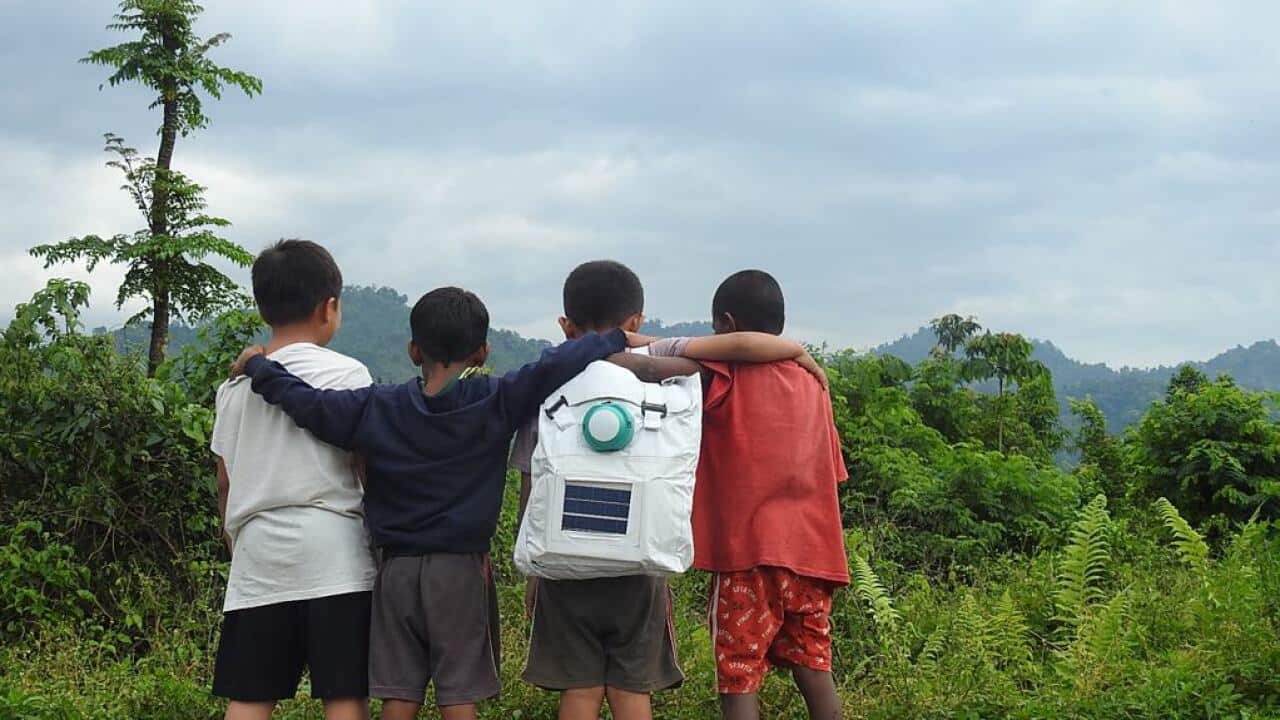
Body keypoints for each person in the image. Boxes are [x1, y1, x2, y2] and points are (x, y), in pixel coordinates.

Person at [229, 286, 631, 720]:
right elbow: (553, 366)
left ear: (413, 350)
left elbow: (307, 404)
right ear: (482, 352)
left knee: (400, 694)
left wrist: (258, 367)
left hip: (396, 571)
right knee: (457, 693)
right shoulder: (496, 400)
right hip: (460, 571)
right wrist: (616, 338)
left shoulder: (377, 407)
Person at [513, 260, 826, 720]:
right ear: (637, 320)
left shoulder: (547, 387)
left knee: (580, 689)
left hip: (564, 561)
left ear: (565, 325)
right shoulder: (666, 378)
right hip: (644, 563)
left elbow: (531, 482)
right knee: (633, 689)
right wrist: (797, 353)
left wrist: (534, 568)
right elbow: (735, 354)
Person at [646, 270, 849, 720]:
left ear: (726, 325)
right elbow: (833, 472)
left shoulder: (725, 371)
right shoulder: (814, 383)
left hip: (748, 555)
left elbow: (654, 367)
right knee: (815, 665)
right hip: (813, 555)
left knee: (739, 674)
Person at [211, 239, 375, 720]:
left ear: (263, 306)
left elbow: (225, 482)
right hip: (336, 554)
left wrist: (237, 543)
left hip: (259, 553)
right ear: (329, 307)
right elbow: (367, 467)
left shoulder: (235, 386)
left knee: (250, 696)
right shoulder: (349, 374)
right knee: (344, 694)